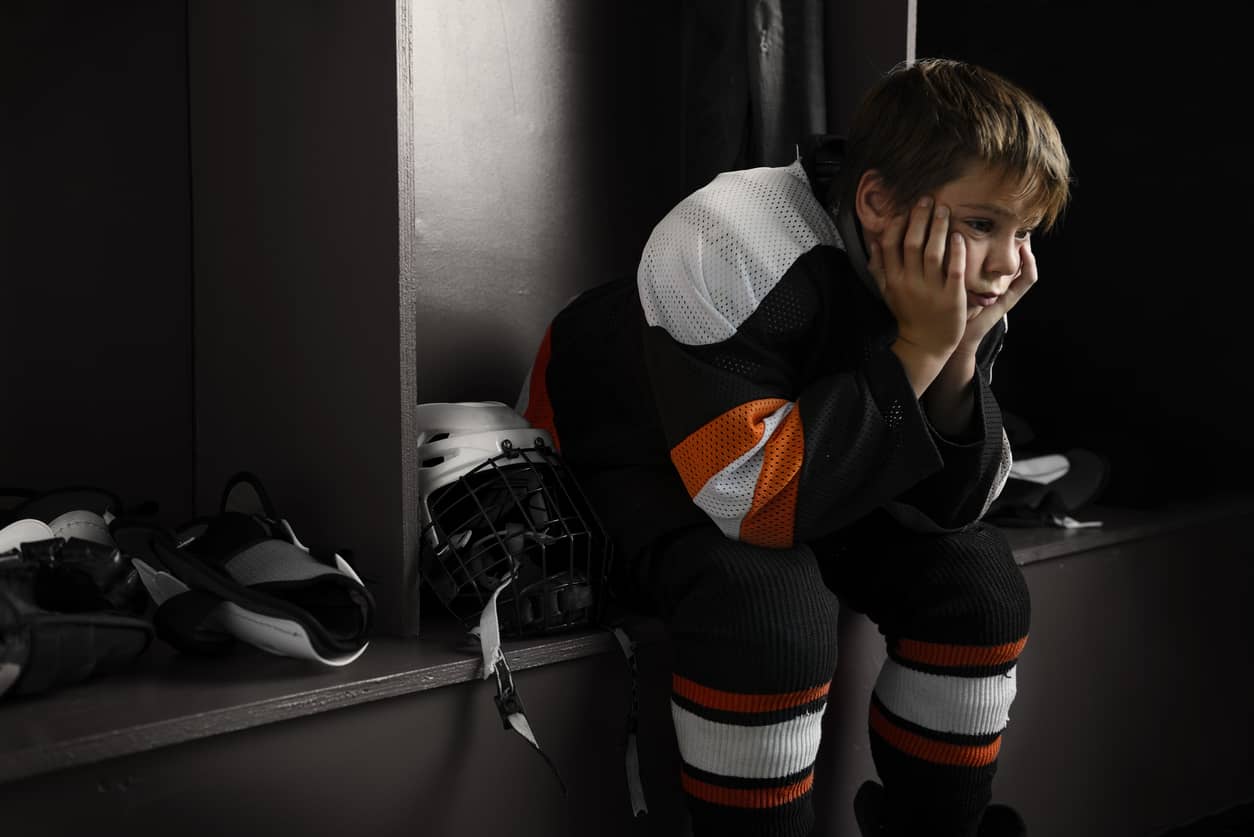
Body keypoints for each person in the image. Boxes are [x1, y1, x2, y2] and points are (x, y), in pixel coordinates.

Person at [516, 58, 1070, 837]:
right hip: (637, 447)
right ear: (877, 201)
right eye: (983, 223)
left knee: (980, 586)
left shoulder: (963, 278)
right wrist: (917, 347)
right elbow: (752, 500)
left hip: (810, 453)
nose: (1011, 262)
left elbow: (959, 507)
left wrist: (959, 352)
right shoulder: (725, 233)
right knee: (771, 609)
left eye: (1024, 232)